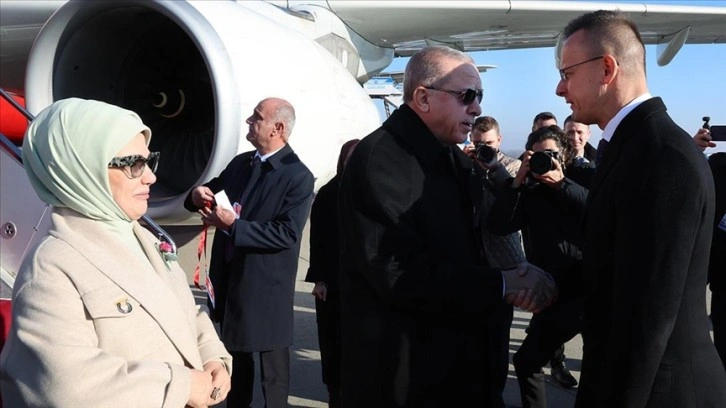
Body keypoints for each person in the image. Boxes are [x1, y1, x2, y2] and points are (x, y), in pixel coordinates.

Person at [338, 45, 557, 408]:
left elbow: (481, 236)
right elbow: (398, 273)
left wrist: (517, 268)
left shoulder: (452, 156)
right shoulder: (381, 161)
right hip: (410, 379)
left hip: (460, 367)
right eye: (466, 95)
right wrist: (503, 284)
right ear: (423, 97)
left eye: (479, 96)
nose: (477, 108)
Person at [0, 98, 232, 407]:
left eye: (150, 161)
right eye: (134, 164)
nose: (150, 176)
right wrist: (180, 386)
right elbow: (65, 388)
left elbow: (183, 312)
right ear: (83, 170)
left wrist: (212, 355)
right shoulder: (49, 269)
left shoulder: (144, 238)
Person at [556, 10, 726, 406]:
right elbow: (615, 264)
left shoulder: (662, 158)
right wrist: (546, 282)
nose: (560, 88)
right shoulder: (634, 146)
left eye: (567, 73)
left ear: (607, 69)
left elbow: (648, 316)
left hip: (659, 392)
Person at [184, 97, 314, 408]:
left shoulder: (297, 176)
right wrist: (196, 194)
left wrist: (235, 226)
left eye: (257, 117)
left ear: (277, 128)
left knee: (273, 370)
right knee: (236, 360)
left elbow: (286, 234)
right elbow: (211, 190)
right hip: (231, 278)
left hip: (265, 284)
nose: (249, 122)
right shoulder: (242, 164)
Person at [489, 125, 587, 408]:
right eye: (538, 156)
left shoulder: (583, 176)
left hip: (588, 287)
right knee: (526, 361)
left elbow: (598, 210)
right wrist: (517, 182)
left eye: (552, 154)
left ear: (564, 155)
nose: (546, 161)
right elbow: (500, 225)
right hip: (552, 290)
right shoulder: (531, 191)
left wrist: (561, 184)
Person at [465, 115, 527, 403]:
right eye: (478, 143)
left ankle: (495, 395)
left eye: (488, 143)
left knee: (498, 337)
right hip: (471, 262)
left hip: (501, 262)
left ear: (499, 141)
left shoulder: (511, 167)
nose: (483, 149)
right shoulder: (465, 166)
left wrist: (493, 169)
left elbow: (513, 199)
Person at [304, 138, 359, 408]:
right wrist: (319, 279)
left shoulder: (372, 190)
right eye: (351, 159)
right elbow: (317, 239)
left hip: (362, 285)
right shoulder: (329, 193)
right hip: (333, 283)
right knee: (333, 343)